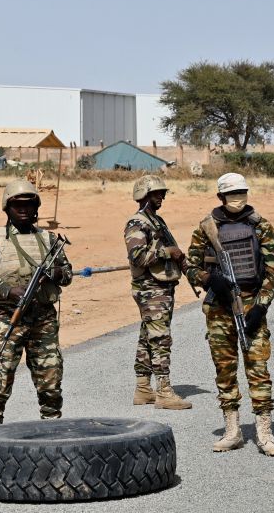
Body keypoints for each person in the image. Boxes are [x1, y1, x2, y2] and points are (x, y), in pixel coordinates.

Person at [185, 173, 274, 456]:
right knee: (224, 370)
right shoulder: (206, 227)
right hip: (219, 307)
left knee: (258, 368)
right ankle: (232, 431)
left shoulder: (261, 226)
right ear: (221, 197)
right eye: (232, 194)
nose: (237, 198)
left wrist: (261, 306)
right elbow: (190, 266)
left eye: (241, 193)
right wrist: (208, 279)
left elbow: (272, 272)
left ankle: (265, 432)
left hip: (251, 303)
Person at [0, 180, 73, 426]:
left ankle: (52, 428)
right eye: (18, 205)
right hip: (10, 317)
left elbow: (68, 273)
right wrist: (8, 291)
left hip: (44, 319)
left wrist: (56, 273)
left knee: (50, 379)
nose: (24, 209)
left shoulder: (49, 239)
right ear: (7, 208)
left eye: (29, 204)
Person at [124, 175, 191, 410]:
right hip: (150, 288)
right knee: (161, 338)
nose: (161, 197)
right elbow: (138, 257)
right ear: (144, 195)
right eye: (156, 193)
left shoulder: (157, 221)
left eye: (163, 193)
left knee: (148, 336)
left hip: (161, 287)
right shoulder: (137, 223)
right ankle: (164, 391)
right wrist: (167, 252)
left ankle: (143, 388)